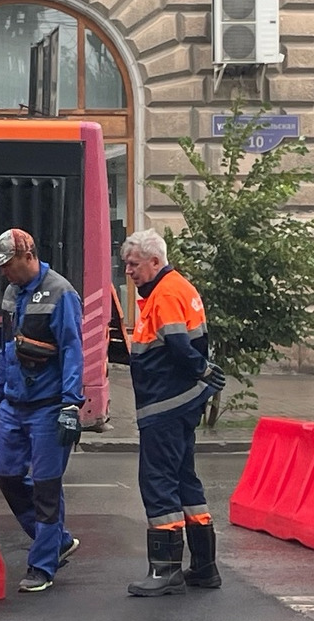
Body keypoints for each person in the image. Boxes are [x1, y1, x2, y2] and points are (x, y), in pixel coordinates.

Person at [0, 228, 84, 594]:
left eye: (7, 265)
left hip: (49, 407)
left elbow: (72, 350)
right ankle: (55, 541)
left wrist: (71, 404)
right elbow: (7, 350)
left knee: (46, 489)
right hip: (15, 405)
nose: (3, 272)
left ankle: (42, 566)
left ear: (28, 257)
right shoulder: (11, 293)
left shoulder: (61, 293)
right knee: (6, 475)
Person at [120, 229, 226, 598]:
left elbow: (180, 347)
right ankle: (204, 566)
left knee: (157, 480)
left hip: (165, 404)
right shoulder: (179, 287)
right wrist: (205, 374)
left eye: (134, 265)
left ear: (154, 260)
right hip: (181, 403)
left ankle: (165, 570)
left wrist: (201, 369)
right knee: (184, 480)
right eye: (126, 265)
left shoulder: (164, 294)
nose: (129, 272)